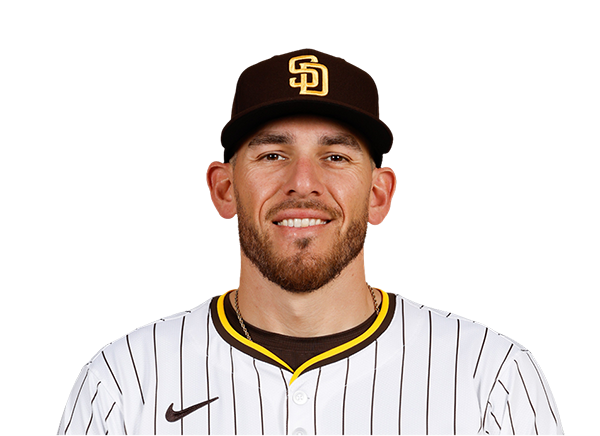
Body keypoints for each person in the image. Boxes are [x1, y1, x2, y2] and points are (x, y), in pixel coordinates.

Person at [58, 49, 563, 435]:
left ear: (379, 195)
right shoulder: (127, 379)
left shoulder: (487, 377)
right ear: (224, 189)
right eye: (272, 155)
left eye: (336, 157)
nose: (303, 183)